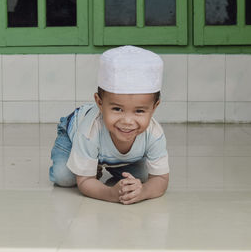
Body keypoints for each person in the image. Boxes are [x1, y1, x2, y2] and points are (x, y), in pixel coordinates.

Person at [49, 45, 169, 205]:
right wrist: (110, 193)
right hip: (73, 138)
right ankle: (91, 164)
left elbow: (161, 178)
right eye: (117, 109)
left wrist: (143, 192)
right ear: (99, 103)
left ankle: (99, 163)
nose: (127, 121)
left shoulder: (154, 134)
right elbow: (84, 181)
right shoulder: (89, 131)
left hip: (108, 153)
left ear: (154, 107)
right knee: (64, 176)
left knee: (141, 177)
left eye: (139, 111)